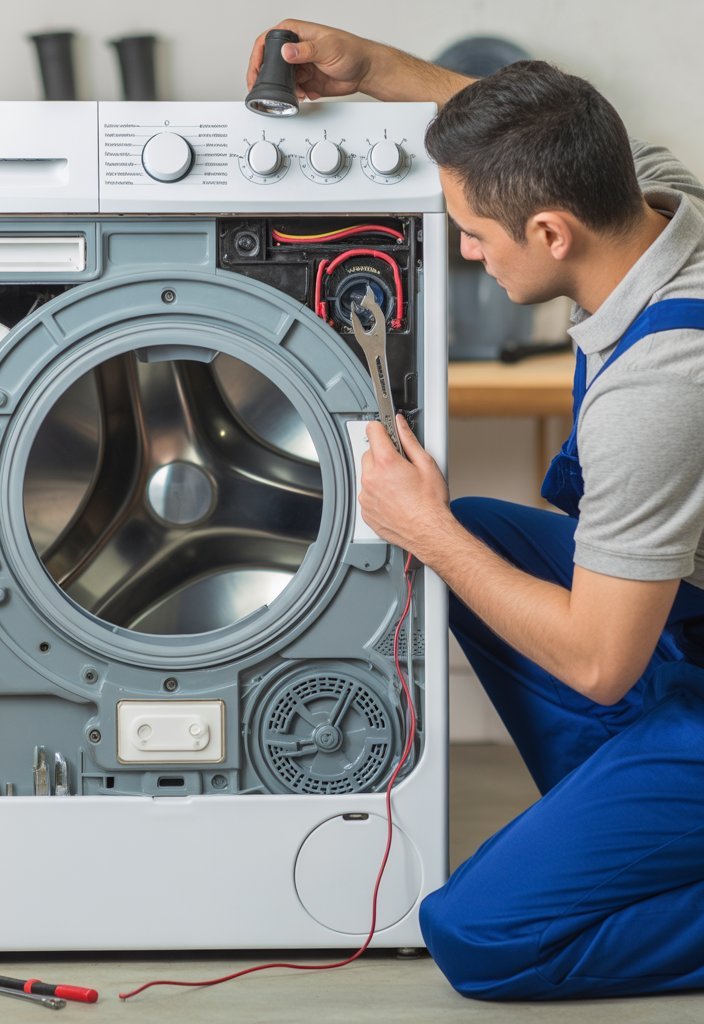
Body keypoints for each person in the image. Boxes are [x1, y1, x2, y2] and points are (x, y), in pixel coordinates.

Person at [248, 20, 704, 1001]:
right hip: (693, 626)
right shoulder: (656, 201)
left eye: (474, 232)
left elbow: (597, 658)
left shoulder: (662, 386)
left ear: (550, 232)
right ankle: (631, 808)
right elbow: (523, 127)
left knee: (480, 933)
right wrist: (373, 72)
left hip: (656, 651)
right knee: (492, 538)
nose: (462, 248)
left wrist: (426, 528)